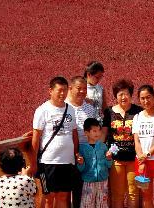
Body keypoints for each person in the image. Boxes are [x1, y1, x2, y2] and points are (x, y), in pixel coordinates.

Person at [32, 76, 83, 208]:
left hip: (67, 161)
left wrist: (76, 153)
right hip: (48, 162)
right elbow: (36, 137)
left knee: (63, 196)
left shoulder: (70, 109)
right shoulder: (42, 110)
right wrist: (33, 162)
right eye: (59, 90)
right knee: (49, 197)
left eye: (65, 90)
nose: (62, 93)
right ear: (50, 91)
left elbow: (74, 133)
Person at [102, 79, 143, 208]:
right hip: (116, 160)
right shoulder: (109, 112)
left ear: (131, 95)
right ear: (115, 96)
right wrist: (100, 150)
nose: (123, 97)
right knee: (117, 193)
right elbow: (103, 133)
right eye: (120, 94)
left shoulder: (139, 111)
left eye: (126, 94)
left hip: (133, 159)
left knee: (133, 193)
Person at [68, 76, 101, 208]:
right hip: (69, 154)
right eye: (78, 88)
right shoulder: (64, 107)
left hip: (87, 154)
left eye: (84, 89)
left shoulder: (90, 109)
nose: (82, 91)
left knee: (86, 190)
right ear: (70, 88)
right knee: (69, 191)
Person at [76, 119, 112, 208]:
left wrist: (109, 158)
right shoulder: (82, 148)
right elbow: (81, 169)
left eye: (99, 130)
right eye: (94, 131)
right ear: (86, 133)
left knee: (102, 204)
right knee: (87, 204)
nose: (97, 133)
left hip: (103, 181)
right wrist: (80, 163)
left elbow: (109, 165)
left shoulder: (103, 146)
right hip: (88, 181)